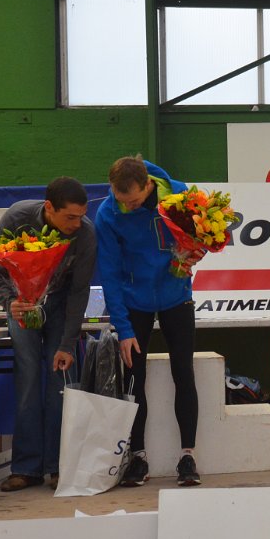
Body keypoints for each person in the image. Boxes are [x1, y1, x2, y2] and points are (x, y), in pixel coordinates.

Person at [95, 156, 203, 487]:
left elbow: (208, 234)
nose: (126, 206)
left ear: (148, 185)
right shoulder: (107, 214)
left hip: (176, 295)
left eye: (134, 201)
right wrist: (124, 329)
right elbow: (110, 275)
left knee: (183, 371)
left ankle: (188, 456)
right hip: (134, 302)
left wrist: (197, 251)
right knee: (133, 377)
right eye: (120, 199)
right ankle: (138, 457)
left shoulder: (180, 195)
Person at [0, 177, 96, 491]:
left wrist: (67, 344)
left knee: (61, 382)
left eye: (81, 216)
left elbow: (79, 291)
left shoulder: (86, 234)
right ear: (49, 207)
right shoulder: (17, 217)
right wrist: (10, 302)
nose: (77, 223)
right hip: (22, 303)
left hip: (60, 306)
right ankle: (26, 468)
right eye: (70, 217)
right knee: (28, 379)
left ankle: (60, 466)